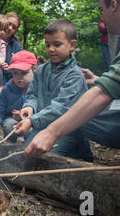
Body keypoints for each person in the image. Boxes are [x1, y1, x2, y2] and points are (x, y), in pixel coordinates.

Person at [24, 0, 120, 185]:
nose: (102, 18)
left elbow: (108, 92)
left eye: (101, 9)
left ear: (113, 5)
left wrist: (51, 132)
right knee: (80, 116)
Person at [14, 19, 93, 161]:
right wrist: (29, 107)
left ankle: (82, 153)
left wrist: (32, 121)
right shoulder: (41, 70)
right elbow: (32, 94)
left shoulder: (74, 75)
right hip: (43, 127)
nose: (51, 49)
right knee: (26, 155)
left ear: (72, 45)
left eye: (57, 44)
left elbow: (60, 108)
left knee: (41, 159)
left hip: (68, 130)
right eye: (47, 45)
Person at [0, 50, 37, 142]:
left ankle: (30, 146)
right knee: (10, 125)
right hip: (12, 119)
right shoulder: (7, 89)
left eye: (24, 73)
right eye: (15, 73)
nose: (19, 77)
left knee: (30, 130)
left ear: (34, 70)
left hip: (33, 120)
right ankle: (10, 146)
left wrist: (29, 116)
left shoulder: (38, 88)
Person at [0, 12, 23, 84]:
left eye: (14, 27)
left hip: (7, 86)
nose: (10, 28)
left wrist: (9, 69)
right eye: (9, 24)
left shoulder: (17, 47)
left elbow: (20, 71)